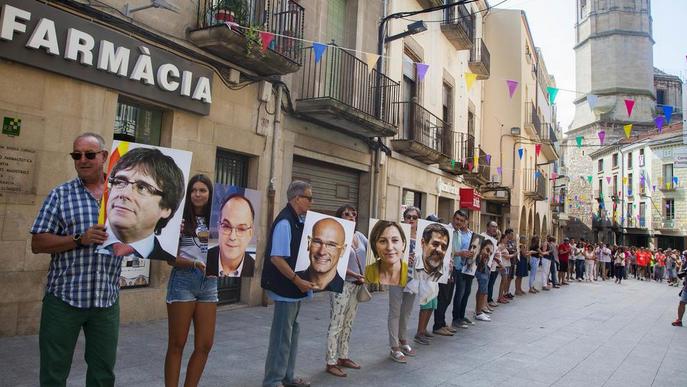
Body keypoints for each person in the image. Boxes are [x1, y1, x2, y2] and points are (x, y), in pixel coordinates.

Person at [30, 133, 122, 386]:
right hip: (63, 299)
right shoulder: (60, 195)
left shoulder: (122, 194)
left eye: (90, 154)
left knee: (103, 374)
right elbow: (37, 243)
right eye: (77, 155)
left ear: (103, 157)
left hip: (106, 299)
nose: (83, 160)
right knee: (53, 372)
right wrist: (78, 239)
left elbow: (141, 235)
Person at [164, 174, 217, 387]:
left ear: (210, 194)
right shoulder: (179, 219)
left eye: (202, 190)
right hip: (183, 281)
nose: (197, 194)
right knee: (177, 343)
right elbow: (169, 259)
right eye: (194, 190)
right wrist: (194, 264)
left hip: (209, 283)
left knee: (205, 345)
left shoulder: (218, 220)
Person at [261, 181, 315, 387]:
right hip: (286, 288)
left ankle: (287, 376)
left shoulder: (297, 220)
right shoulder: (285, 222)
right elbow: (277, 258)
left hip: (293, 289)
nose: (311, 201)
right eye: (309, 197)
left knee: (292, 332)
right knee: (282, 336)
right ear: (297, 198)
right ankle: (273, 380)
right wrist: (297, 280)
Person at [100, 147, 185, 261]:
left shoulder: (168, 261)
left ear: (165, 208)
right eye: (120, 182)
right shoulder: (86, 239)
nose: (125, 194)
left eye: (142, 187)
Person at [325, 205, 366, 378]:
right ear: (339, 217)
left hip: (356, 285)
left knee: (349, 322)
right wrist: (355, 273)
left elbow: (370, 257)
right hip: (340, 285)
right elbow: (333, 262)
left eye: (353, 214)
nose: (351, 217)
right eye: (346, 214)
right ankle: (331, 361)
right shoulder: (336, 237)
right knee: (336, 323)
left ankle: (343, 356)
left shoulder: (360, 236)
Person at [387, 207, 419, 363]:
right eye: (408, 216)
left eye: (414, 217)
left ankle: (403, 339)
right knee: (395, 311)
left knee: (406, 311)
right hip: (396, 275)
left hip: (414, 278)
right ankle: (394, 347)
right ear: (404, 218)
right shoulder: (395, 234)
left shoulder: (423, 237)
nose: (411, 219)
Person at [413, 222, 450, 345]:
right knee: (426, 305)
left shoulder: (438, 263)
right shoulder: (421, 258)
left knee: (432, 305)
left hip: (434, 281)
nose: (439, 249)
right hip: (425, 279)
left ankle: (424, 329)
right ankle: (420, 332)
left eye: (443, 246)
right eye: (435, 244)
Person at [206, 193, 256, 277]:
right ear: (218, 227)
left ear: (250, 233)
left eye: (241, 229)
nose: (232, 237)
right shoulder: (203, 261)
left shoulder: (254, 269)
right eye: (226, 226)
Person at [296, 218, 347, 292]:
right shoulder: (294, 280)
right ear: (309, 243)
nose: (322, 252)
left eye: (331, 245)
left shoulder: (344, 287)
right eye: (317, 242)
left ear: (342, 250)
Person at [365, 221, 408, 286]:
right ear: (375, 246)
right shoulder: (366, 273)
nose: (389, 248)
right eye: (382, 241)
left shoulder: (413, 276)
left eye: (395, 240)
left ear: (403, 244)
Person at [453, 210, 476, 329]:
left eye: (463, 220)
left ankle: (462, 316)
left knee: (467, 292)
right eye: (458, 220)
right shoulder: (456, 234)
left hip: (470, 267)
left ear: (467, 221)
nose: (461, 223)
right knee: (460, 293)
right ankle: (456, 318)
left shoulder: (471, 234)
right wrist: (462, 253)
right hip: (459, 267)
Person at [474, 238, 495, 322]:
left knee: (482, 290)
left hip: (484, 267)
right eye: (487, 250)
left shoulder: (485, 260)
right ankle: (478, 312)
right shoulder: (478, 258)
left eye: (491, 253)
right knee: (482, 289)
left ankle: (478, 311)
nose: (488, 254)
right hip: (479, 268)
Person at [485, 221, 501, 308]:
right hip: (483, 267)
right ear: (487, 227)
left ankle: (485, 304)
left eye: (496, 227)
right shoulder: (483, 236)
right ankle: (481, 307)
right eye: (493, 226)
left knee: (486, 287)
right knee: (483, 288)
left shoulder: (494, 240)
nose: (495, 229)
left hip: (490, 267)